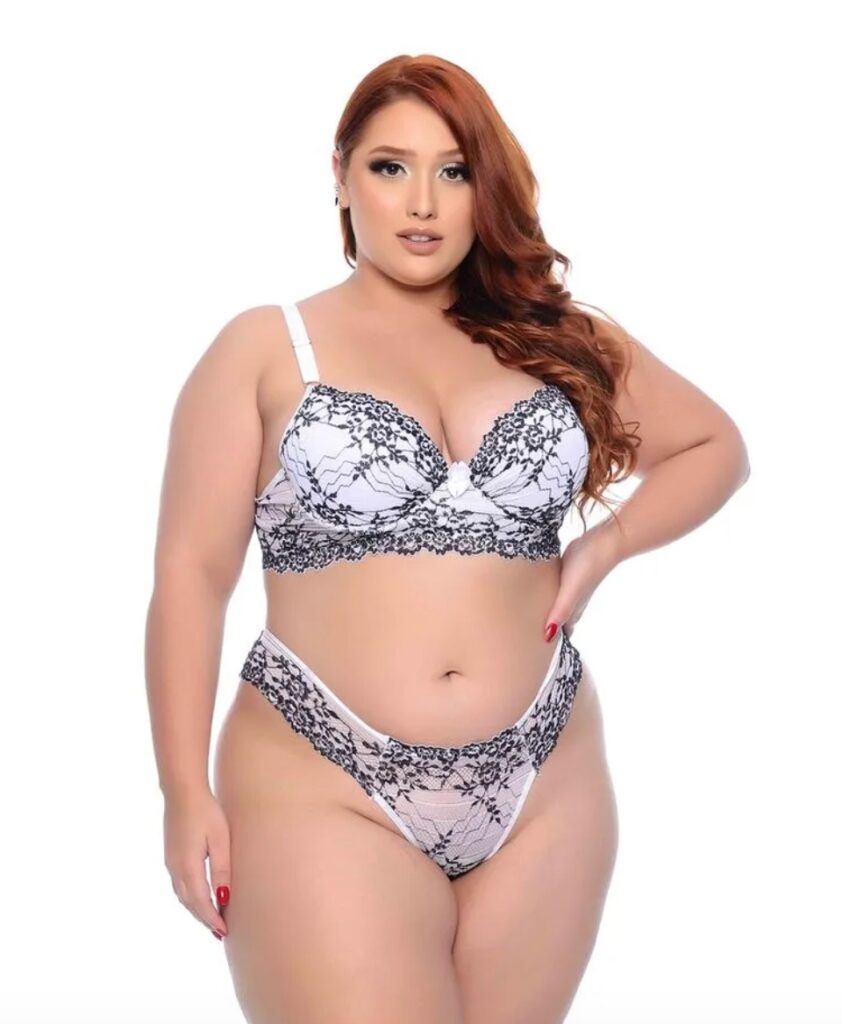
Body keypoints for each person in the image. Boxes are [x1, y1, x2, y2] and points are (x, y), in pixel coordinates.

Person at [144, 54, 750, 1024]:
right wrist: (182, 792)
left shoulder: (552, 337)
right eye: (389, 167)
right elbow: (190, 575)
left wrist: (602, 547)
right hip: (319, 778)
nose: (421, 202)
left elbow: (713, 447)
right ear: (340, 175)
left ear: (485, 187)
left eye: (454, 170)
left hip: (544, 778)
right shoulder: (264, 348)